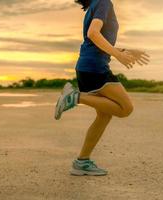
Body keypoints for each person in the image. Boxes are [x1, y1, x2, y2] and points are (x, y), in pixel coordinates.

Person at [54, 0, 150, 176]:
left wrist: (125, 50)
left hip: (87, 66)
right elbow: (93, 34)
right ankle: (75, 97)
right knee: (125, 108)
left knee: (104, 116)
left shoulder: (95, 5)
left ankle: (82, 161)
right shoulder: (103, 1)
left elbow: (97, 40)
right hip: (95, 67)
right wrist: (118, 55)